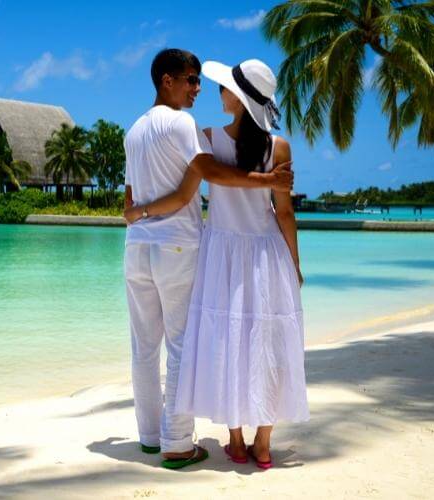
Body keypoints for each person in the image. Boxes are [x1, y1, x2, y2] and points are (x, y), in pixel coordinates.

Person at [125, 59, 309, 470]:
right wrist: (294, 265)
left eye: (222, 87)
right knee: (266, 342)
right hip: (266, 252)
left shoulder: (206, 138)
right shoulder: (279, 147)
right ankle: (263, 446)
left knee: (227, 340)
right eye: (198, 82)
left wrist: (138, 213)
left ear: (239, 99)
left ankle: (231, 441)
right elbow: (285, 214)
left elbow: (186, 189)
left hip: (218, 254)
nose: (211, 91)